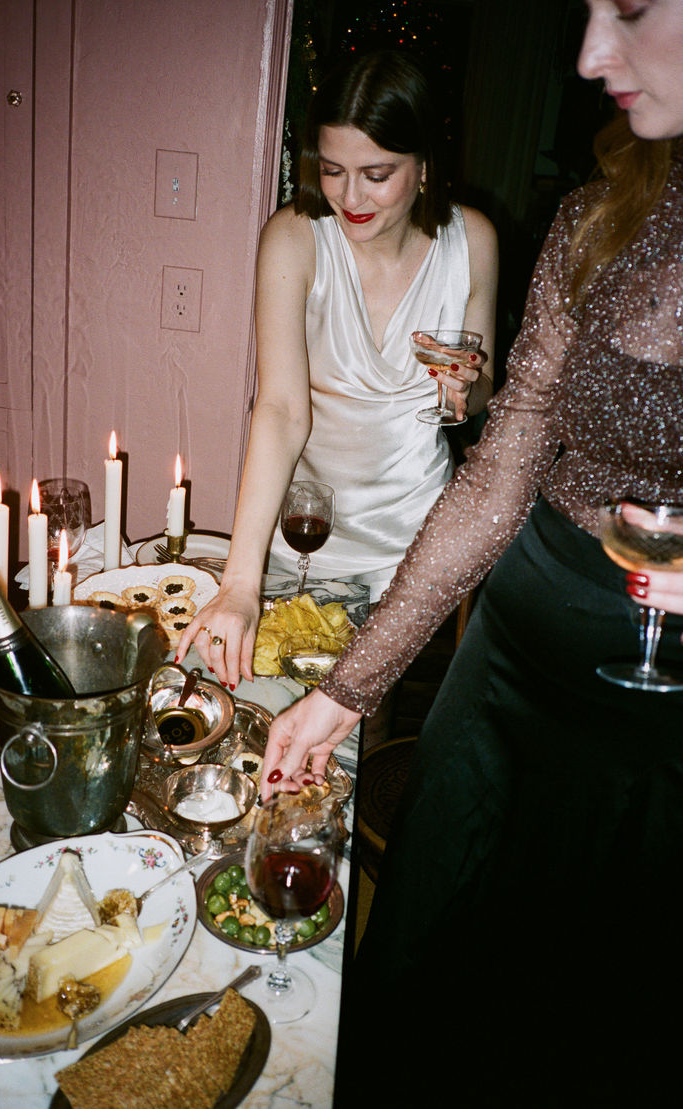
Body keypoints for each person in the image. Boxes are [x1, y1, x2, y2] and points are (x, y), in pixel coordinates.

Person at [260, 1, 683, 1104]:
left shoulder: (475, 237)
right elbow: (503, 465)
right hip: (512, 645)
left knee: (595, 992)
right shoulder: (599, 217)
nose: (591, 54)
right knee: (433, 956)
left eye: (631, 8)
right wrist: (345, 694)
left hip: (657, 695)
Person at [176, 49, 498, 689]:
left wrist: (470, 387)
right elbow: (281, 411)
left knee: (346, 714)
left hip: (419, 542)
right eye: (333, 170)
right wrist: (241, 582)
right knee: (233, 684)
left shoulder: (475, 240)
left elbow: (484, 396)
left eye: (377, 174)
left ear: (425, 166)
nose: (351, 197)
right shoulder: (295, 237)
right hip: (306, 530)